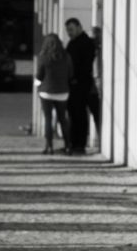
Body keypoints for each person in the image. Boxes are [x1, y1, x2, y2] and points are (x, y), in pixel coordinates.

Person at [63, 18, 100, 155]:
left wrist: (75, 79)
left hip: (81, 85)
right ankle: (74, 143)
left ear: (79, 27)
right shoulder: (73, 43)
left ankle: (79, 144)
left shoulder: (85, 43)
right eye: (68, 30)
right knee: (73, 115)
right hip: (73, 85)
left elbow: (85, 65)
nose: (69, 33)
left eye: (71, 29)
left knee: (79, 115)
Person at [34, 32, 73, 155]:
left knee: (48, 119)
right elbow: (71, 74)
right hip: (62, 92)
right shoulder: (66, 56)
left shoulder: (43, 57)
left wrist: (37, 85)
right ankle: (68, 146)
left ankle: (49, 146)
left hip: (46, 92)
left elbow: (39, 75)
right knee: (63, 119)